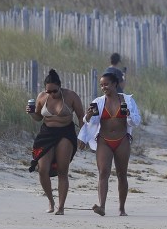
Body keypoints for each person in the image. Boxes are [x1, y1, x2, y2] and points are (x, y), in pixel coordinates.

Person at [79, 71, 141, 216]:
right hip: (104, 141)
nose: (103, 87)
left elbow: (136, 121)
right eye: (101, 85)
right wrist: (87, 117)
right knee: (103, 173)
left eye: (106, 84)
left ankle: (122, 208)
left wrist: (128, 115)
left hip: (122, 140)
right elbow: (90, 122)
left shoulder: (127, 100)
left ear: (114, 84)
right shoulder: (98, 102)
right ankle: (102, 206)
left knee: (122, 174)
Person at [26, 69, 84, 215]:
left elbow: (81, 117)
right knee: (42, 169)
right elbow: (39, 117)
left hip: (66, 133)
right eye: (48, 91)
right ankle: (51, 202)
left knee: (62, 171)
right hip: (47, 133)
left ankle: (61, 206)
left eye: (54, 91)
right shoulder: (42, 97)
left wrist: (83, 137)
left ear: (60, 86)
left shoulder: (71, 96)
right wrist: (32, 113)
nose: (51, 94)